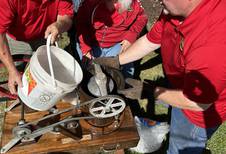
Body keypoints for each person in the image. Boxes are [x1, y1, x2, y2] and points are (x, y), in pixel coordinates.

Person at [94, 0, 226, 153]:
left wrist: (152, 91)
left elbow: (198, 103)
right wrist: (116, 61)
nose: (157, 1)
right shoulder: (176, 10)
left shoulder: (213, 44)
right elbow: (151, 40)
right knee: (175, 110)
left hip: (198, 113)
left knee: (180, 148)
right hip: (181, 83)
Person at [0, 0, 74, 94]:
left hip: (46, 35)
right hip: (17, 40)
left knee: (48, 78)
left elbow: (66, 14)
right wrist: (12, 70)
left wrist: (60, 24)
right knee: (20, 82)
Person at [75, 0, 147, 77]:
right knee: (83, 71)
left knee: (125, 72)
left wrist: (131, 36)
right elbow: (81, 24)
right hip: (91, 43)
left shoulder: (133, 4)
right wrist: (85, 49)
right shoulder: (89, 3)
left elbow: (142, 18)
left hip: (115, 44)